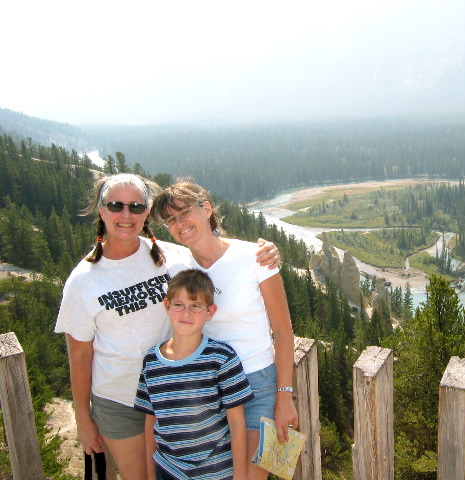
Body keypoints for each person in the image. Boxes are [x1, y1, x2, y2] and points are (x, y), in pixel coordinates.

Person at [54, 173, 280, 480]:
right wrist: (83, 418)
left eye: (135, 207)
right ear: (101, 211)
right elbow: (79, 355)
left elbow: (216, 257)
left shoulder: (173, 256)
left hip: (186, 396)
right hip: (120, 401)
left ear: (146, 213)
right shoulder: (83, 281)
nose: (126, 214)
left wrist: (264, 253)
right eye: (116, 205)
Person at [150, 179, 298, 480]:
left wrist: (284, 396)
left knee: (252, 475)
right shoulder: (176, 268)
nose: (179, 223)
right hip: (207, 388)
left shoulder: (255, 257)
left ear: (206, 209)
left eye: (184, 212)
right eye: (171, 220)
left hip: (259, 384)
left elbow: (283, 332)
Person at [135, 269, 253, 480]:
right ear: (167, 306)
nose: (186, 313)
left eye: (196, 306)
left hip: (216, 472)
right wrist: (151, 474)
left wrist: (240, 476)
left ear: (210, 312)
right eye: (178, 304)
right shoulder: (151, 361)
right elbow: (150, 421)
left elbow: (237, 423)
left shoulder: (221, 358)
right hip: (168, 470)